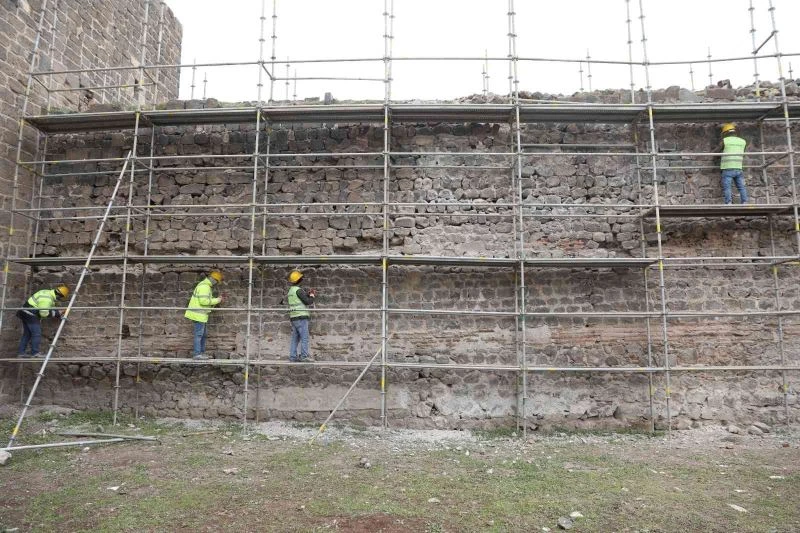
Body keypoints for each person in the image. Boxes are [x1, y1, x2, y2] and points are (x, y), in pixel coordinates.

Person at [17, 284, 69, 358]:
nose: (59, 299)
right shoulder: (47, 299)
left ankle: (21, 353)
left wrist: (58, 314)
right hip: (30, 314)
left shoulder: (47, 292)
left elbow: (50, 307)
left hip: (24, 312)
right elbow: (44, 314)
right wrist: (57, 313)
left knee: (27, 334)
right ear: (59, 295)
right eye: (60, 298)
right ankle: (35, 353)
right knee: (36, 334)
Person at [184, 270, 223, 360]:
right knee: (199, 335)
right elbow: (203, 301)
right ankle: (197, 354)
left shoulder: (205, 286)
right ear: (213, 279)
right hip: (198, 315)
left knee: (203, 334)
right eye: (217, 282)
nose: (216, 284)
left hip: (201, 315)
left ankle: (201, 353)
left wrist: (216, 299)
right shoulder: (205, 287)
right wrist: (217, 300)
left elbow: (205, 299)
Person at [286, 270, 316, 362]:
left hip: (294, 317)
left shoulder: (291, 291)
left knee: (295, 338)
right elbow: (308, 302)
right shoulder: (298, 290)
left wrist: (306, 294)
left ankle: (292, 357)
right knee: (304, 337)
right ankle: (304, 356)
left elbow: (299, 298)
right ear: (299, 280)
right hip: (301, 316)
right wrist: (312, 295)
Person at [717, 122, 749, 204]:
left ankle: (728, 203)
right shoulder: (743, 141)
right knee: (741, 187)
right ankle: (745, 202)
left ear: (725, 133)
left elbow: (717, 151)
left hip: (727, 167)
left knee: (727, 187)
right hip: (738, 167)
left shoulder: (725, 141)